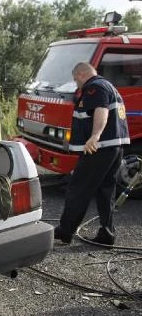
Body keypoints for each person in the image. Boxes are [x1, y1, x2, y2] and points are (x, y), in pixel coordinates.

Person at [54, 62, 130, 246]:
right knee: (106, 191)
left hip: (99, 148)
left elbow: (101, 110)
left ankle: (64, 231)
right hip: (114, 147)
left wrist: (95, 136)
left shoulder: (94, 87)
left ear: (81, 74)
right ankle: (107, 233)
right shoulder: (108, 85)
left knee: (78, 188)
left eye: (75, 80)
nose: (76, 84)